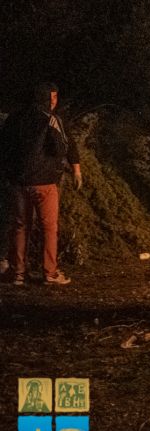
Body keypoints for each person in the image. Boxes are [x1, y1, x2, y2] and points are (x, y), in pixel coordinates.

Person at [0, 82, 82, 286]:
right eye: (52, 97)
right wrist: (67, 166)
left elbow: (4, 147)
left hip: (18, 182)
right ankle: (50, 273)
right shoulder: (50, 119)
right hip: (44, 182)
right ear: (45, 98)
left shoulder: (14, 118)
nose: (54, 102)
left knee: (21, 226)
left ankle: (18, 273)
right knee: (49, 228)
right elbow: (62, 146)